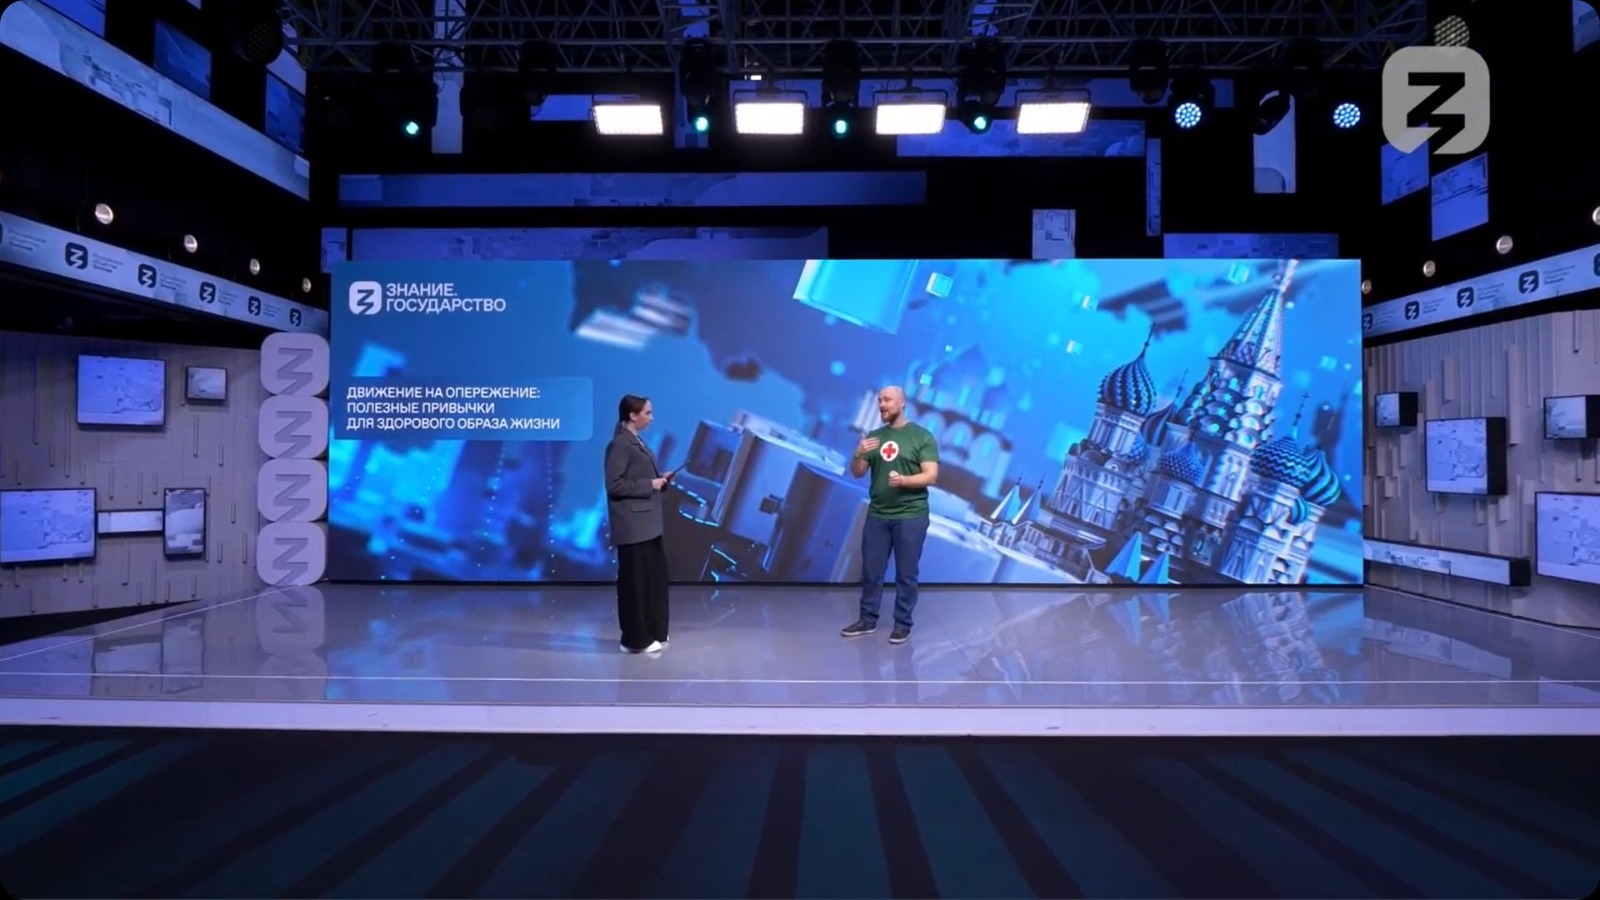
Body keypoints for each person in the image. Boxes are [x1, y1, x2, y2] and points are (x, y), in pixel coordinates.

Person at [841, 385, 940, 644]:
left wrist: (905, 480)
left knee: (906, 573)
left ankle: (902, 624)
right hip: (878, 515)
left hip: (911, 515)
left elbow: (931, 475)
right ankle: (867, 620)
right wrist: (858, 453)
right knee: (871, 570)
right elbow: (858, 472)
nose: (882, 405)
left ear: (902, 403)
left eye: (887, 400)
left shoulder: (921, 436)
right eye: (879, 400)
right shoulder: (875, 437)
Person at [604, 394, 675, 654]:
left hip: (648, 524)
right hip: (633, 526)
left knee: (652, 580)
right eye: (647, 413)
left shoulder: (637, 442)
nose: (651, 418)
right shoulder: (620, 445)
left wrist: (660, 480)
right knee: (635, 583)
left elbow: (639, 477)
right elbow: (614, 485)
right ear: (632, 415)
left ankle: (653, 630)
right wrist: (650, 484)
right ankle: (634, 638)